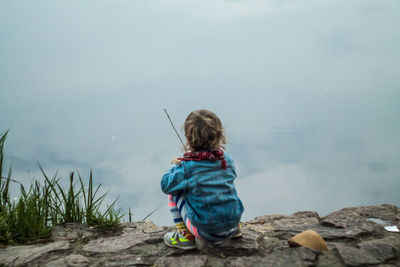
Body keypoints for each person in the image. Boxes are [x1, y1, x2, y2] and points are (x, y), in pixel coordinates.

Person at [161, 109, 244, 250]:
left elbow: (166, 185)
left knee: (174, 193)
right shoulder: (226, 160)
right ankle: (235, 230)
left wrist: (175, 166)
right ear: (219, 136)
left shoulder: (187, 167)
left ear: (188, 139)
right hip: (233, 224)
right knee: (223, 187)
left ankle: (185, 237)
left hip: (207, 233)